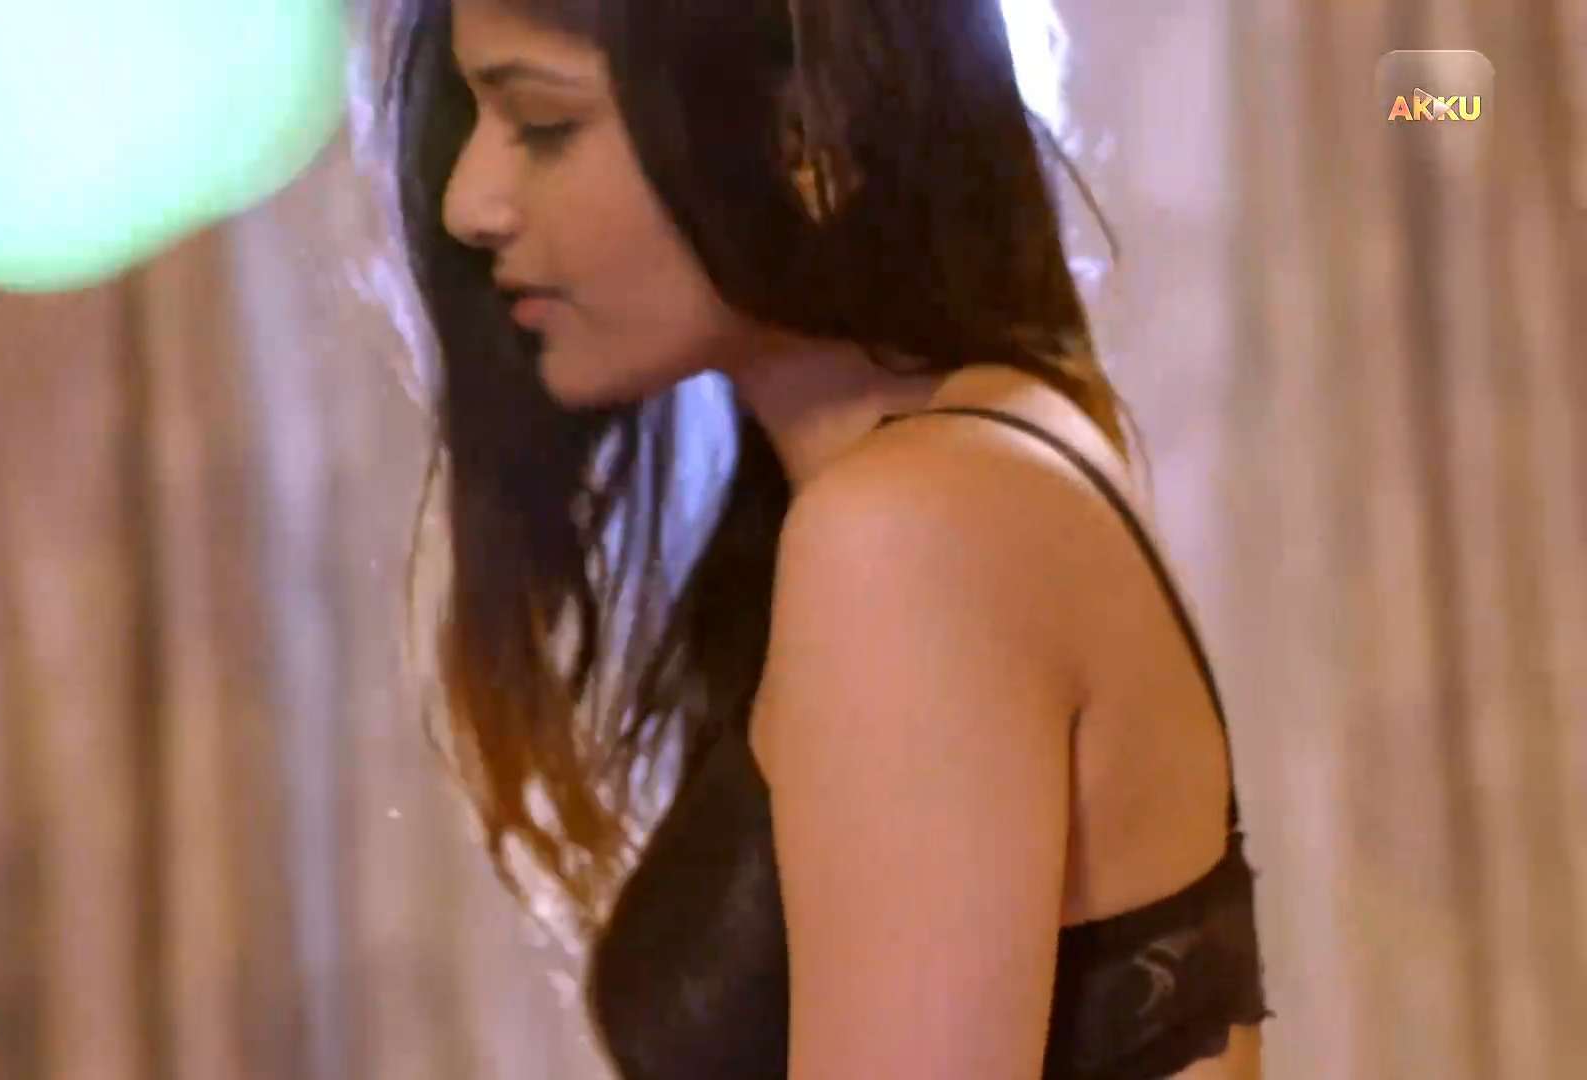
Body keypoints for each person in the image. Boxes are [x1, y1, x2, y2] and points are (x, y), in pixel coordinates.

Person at [376, 0, 1272, 1076]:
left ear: (804, 130)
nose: (468, 201)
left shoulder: (917, 529)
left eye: (544, 123)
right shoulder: (973, 456)